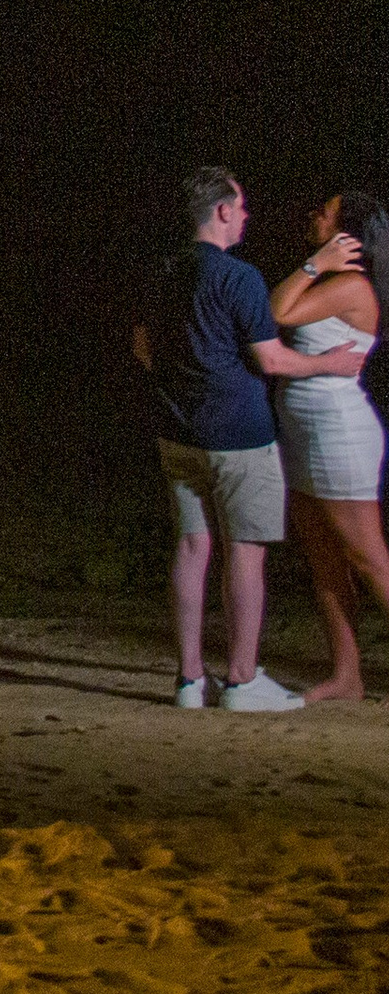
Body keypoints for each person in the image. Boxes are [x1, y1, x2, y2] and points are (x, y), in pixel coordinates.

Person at [132, 166, 367, 711]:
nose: (246, 217)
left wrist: (184, 378)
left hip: (177, 431)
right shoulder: (239, 278)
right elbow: (271, 358)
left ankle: (190, 680)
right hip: (238, 434)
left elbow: (143, 346)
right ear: (220, 212)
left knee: (191, 548)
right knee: (245, 550)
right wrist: (327, 362)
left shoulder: (163, 270)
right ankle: (241, 679)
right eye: (241, 208)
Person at [271, 189, 389, 702]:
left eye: (327, 212)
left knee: (368, 559)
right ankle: (347, 675)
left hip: (338, 430)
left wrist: (313, 263)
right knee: (323, 557)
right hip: (304, 430)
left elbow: (278, 310)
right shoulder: (333, 281)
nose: (315, 213)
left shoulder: (352, 286)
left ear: (348, 234)